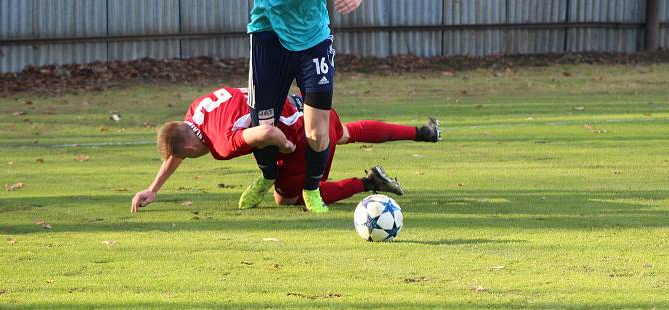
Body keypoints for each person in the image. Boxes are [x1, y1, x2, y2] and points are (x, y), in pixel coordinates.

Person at [150, 0, 391, 213]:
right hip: (268, 39)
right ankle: (265, 177)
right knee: (262, 127)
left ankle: (312, 190)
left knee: (318, 132)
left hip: (314, 42)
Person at [130, 86, 441, 213]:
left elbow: (266, 131)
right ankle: (423, 133)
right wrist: (153, 188)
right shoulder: (196, 110)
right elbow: (176, 148)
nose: (189, 158)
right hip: (308, 110)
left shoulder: (221, 144)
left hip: (303, 137)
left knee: (291, 198)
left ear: (189, 145)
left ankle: (369, 182)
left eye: (187, 155)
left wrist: (286, 145)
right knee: (345, 131)